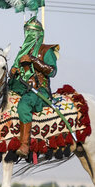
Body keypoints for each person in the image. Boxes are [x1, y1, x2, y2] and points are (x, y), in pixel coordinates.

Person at [8, 16, 59, 157]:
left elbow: (52, 71)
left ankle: (24, 145)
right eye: (27, 32)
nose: (29, 36)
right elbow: (13, 71)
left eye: (32, 33)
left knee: (24, 105)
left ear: (38, 34)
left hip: (39, 90)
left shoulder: (46, 50)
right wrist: (13, 72)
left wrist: (34, 61)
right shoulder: (22, 51)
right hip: (21, 88)